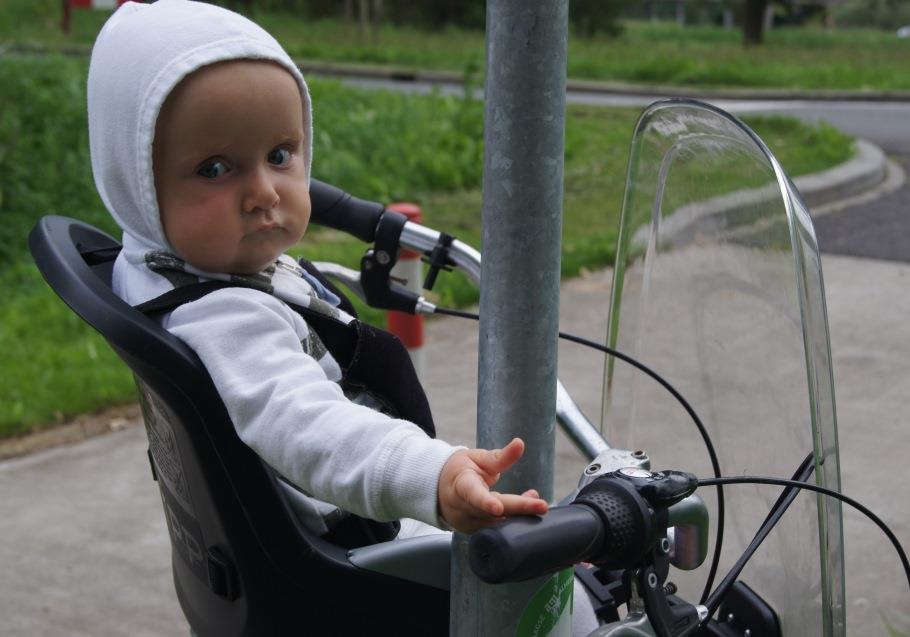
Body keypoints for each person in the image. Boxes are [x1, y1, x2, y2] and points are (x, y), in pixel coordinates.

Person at [86, 0, 549, 539]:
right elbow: (308, 424)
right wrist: (429, 474)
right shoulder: (224, 318)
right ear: (137, 183)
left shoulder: (162, 267)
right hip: (366, 539)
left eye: (280, 155)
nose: (264, 193)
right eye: (214, 169)